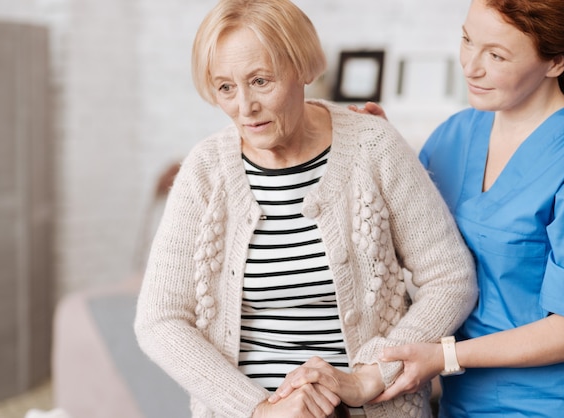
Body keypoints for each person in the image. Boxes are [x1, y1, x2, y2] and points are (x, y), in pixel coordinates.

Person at [133, 0, 477, 417]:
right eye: (226, 87)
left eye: (260, 81)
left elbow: (450, 278)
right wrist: (259, 409)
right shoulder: (205, 172)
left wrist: (374, 374)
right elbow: (160, 318)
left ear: (304, 69)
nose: (245, 107)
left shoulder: (374, 146)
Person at [324, 0, 564, 416]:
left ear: (554, 62)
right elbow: (414, 239)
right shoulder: (455, 135)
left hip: (554, 404)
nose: (471, 67)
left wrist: (445, 357)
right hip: (463, 404)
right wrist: (384, 153)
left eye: (496, 55)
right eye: (467, 40)